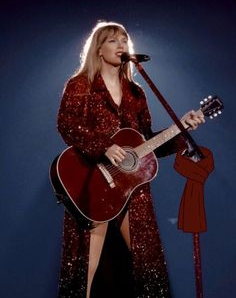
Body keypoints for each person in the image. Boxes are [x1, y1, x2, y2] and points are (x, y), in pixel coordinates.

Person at [56, 20, 205, 298]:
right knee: (85, 267)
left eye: (124, 40)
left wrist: (181, 129)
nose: (121, 45)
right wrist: (104, 146)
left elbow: (147, 142)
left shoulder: (136, 93)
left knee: (148, 265)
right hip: (92, 181)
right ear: (99, 49)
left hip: (131, 187)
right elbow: (66, 124)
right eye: (113, 40)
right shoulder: (81, 85)